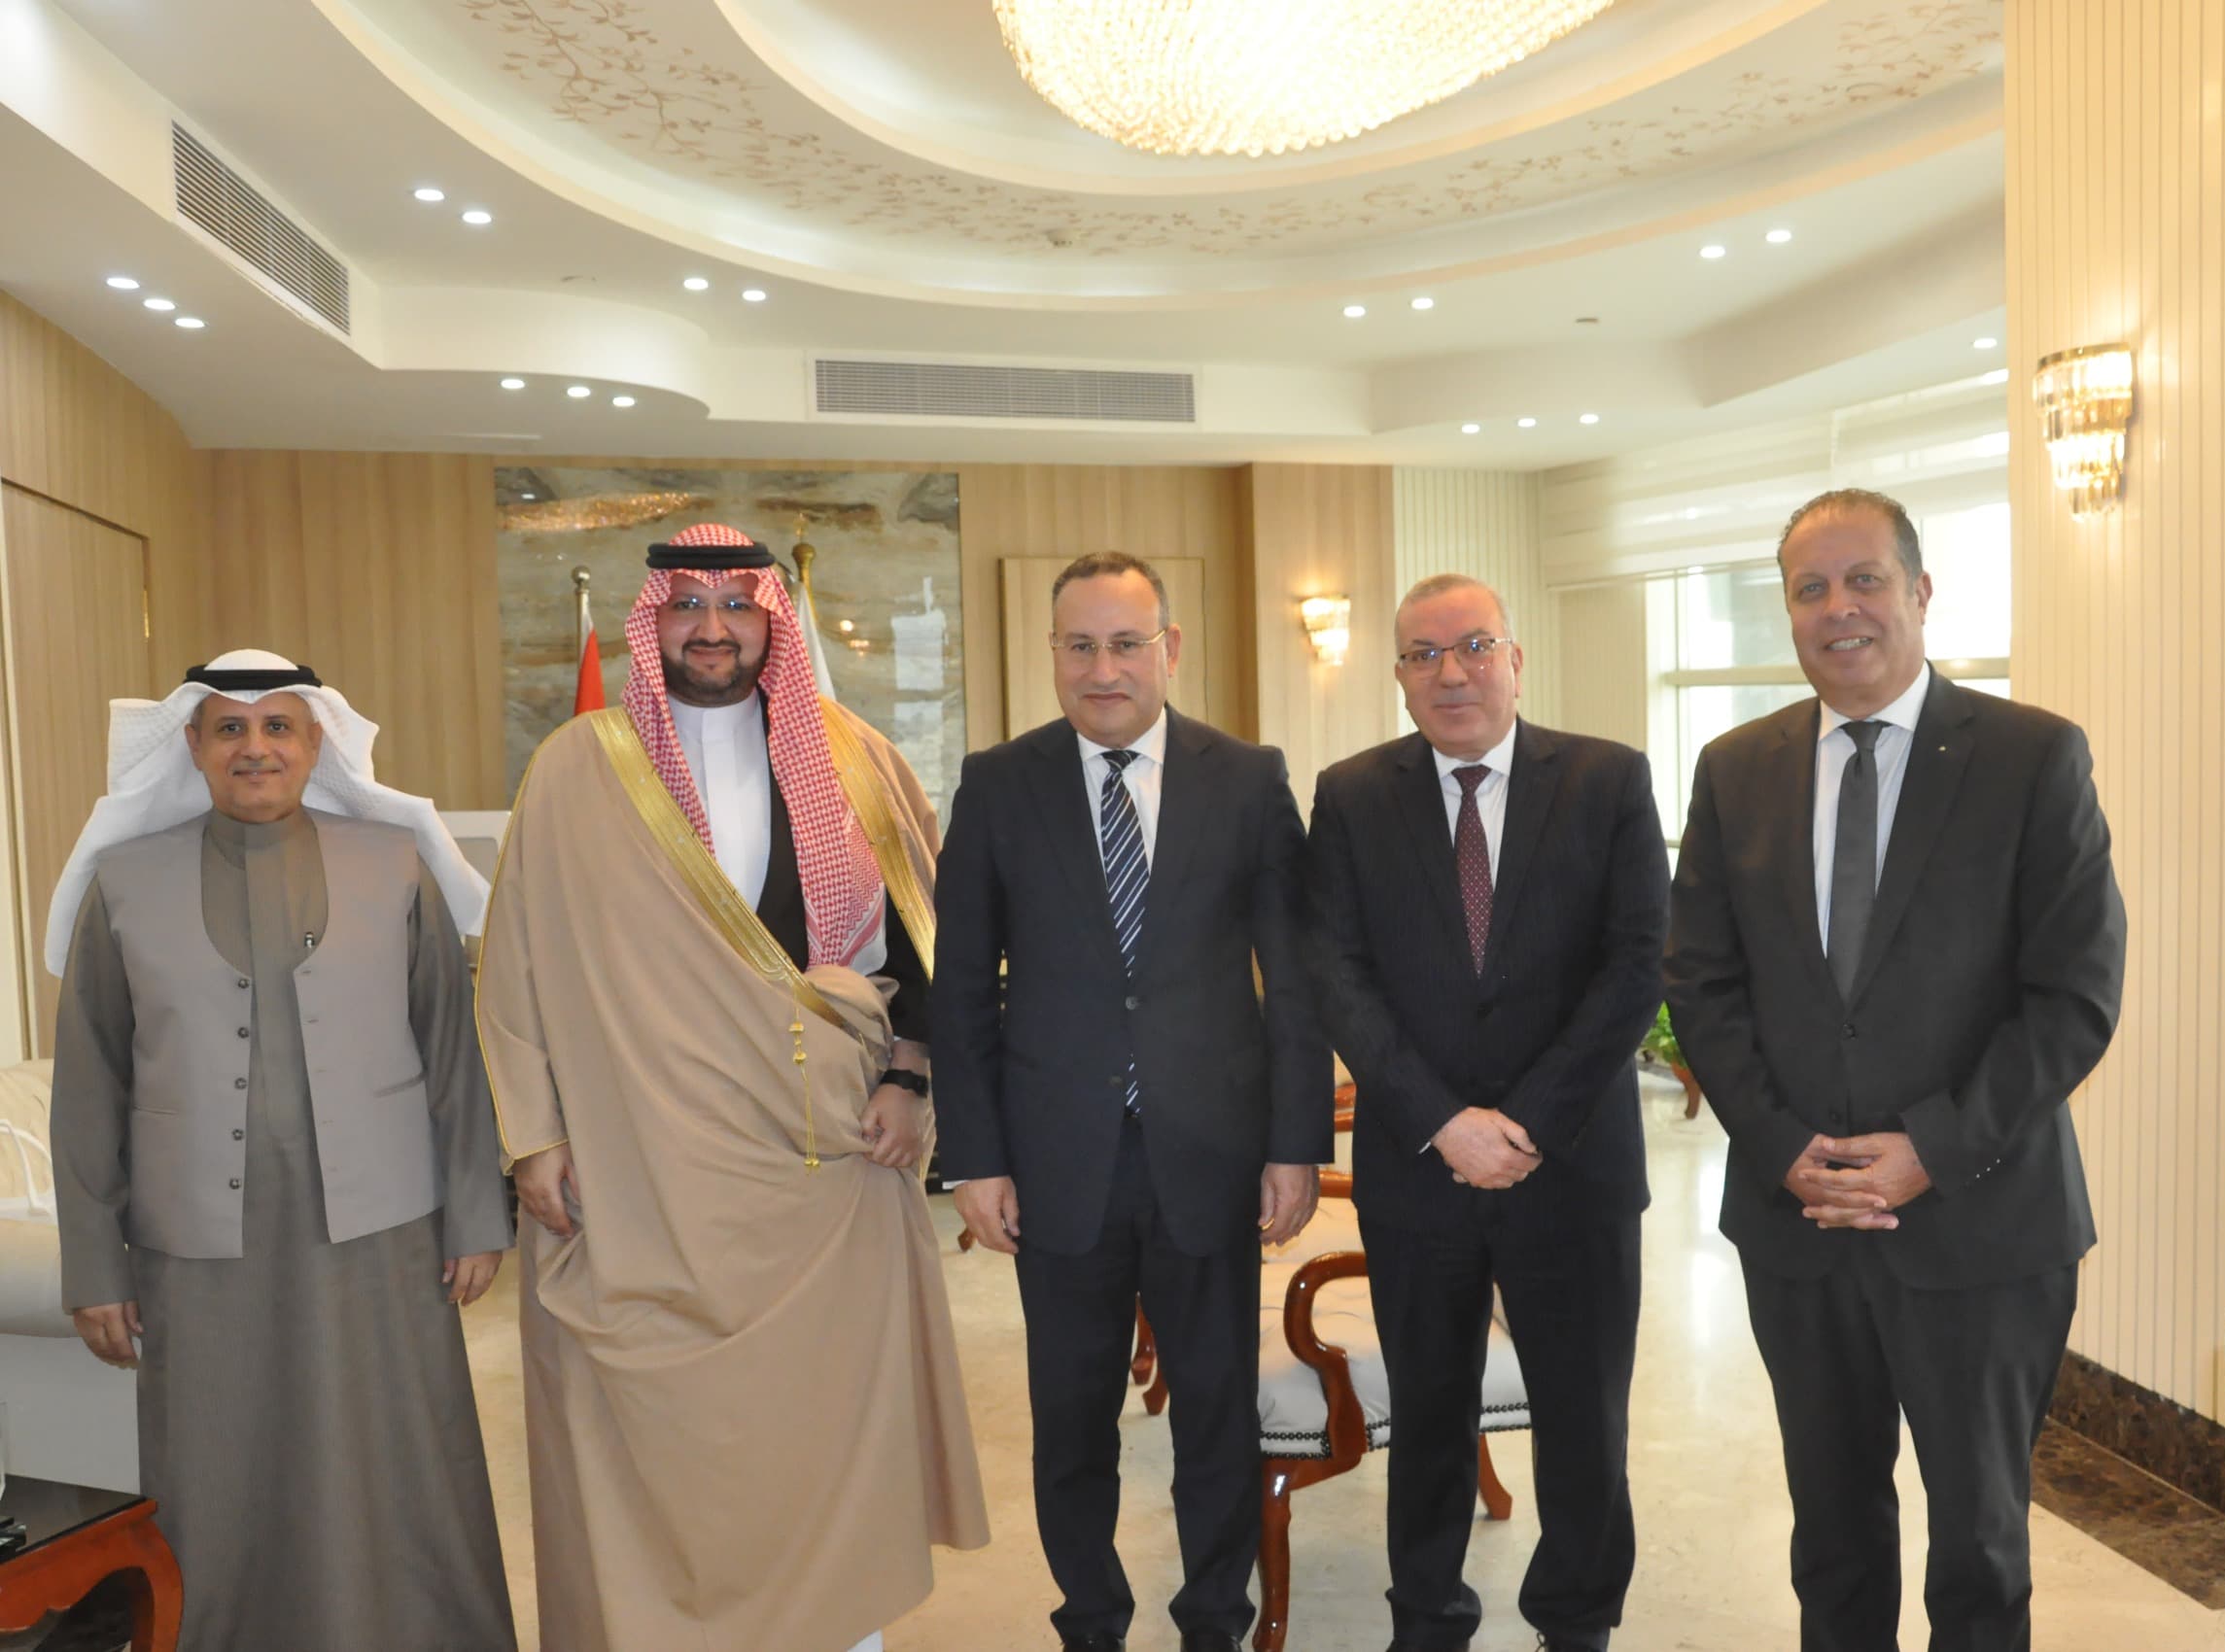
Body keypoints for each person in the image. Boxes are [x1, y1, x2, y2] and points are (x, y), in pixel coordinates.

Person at [477, 523, 988, 1652]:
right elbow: (515, 961)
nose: (711, 626)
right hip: (640, 1163)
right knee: (664, 1435)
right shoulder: (576, 767)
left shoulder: (856, 757)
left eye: (735, 602)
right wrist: (534, 1135)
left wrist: (911, 1073)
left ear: (772, 616)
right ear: (650, 619)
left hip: (827, 1159)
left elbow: (931, 940)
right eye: (686, 603)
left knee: (822, 1422)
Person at [1664, 488, 2126, 1652]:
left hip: (1982, 1225)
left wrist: (1932, 1148)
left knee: (1978, 1545)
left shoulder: (2030, 757)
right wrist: (1783, 1147)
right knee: (1831, 1536)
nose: (1839, 608)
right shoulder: (1734, 768)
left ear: (1919, 592)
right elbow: (1702, 984)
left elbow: (2073, 994)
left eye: (1864, 579)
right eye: (1810, 588)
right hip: (1797, 1223)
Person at [47, 649, 515, 1652]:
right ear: (193, 746)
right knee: (217, 1467)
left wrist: (476, 1210)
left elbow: (452, 1049)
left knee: (397, 1453)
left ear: (315, 744)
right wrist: (93, 1265)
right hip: (196, 1248)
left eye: (277, 728)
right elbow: (89, 1087)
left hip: (381, 1234)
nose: (254, 748)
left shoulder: (394, 863)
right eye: (230, 728)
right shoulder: (123, 882)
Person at [930, 551, 1332, 1652]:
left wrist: (1294, 1142)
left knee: (1216, 1412)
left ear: (1170, 648)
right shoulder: (997, 783)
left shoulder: (1246, 776)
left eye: (1124, 643)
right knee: (1071, 1423)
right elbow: (959, 989)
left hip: (1211, 1154)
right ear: (1052, 652)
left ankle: (1214, 1622)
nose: (1102, 668)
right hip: (1057, 1163)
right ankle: (1091, 1623)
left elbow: (1295, 979)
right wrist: (975, 1158)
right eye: (1079, 645)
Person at [1300, 574, 1667, 1652]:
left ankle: (1577, 1622)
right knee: (1428, 1416)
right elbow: (1338, 976)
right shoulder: (1351, 794)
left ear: (1515, 658)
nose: (1449, 672)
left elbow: (1637, 964)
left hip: (1575, 1168)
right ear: (1399, 675)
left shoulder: (1607, 778)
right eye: (1423, 654)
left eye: (1471, 646)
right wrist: (1444, 1122)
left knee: (1585, 1421)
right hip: (1419, 1171)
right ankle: (1427, 1619)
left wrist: (1526, 1124)